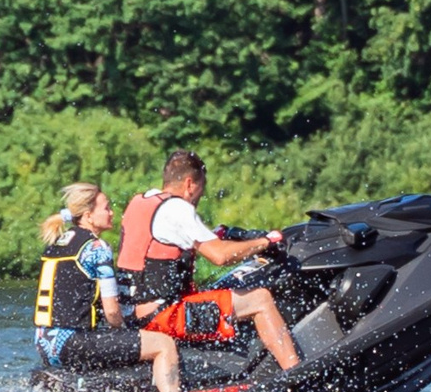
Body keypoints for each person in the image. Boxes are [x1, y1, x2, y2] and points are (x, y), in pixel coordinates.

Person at [116, 150, 302, 371]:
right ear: (190, 184)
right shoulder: (178, 208)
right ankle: (295, 373)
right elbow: (220, 256)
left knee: (216, 291)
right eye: (200, 193)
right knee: (260, 300)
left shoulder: (140, 201)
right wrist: (265, 241)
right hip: (162, 316)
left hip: (133, 313)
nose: (197, 200)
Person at [35, 183, 185, 392]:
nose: (112, 212)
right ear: (88, 216)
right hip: (73, 342)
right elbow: (112, 311)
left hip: (45, 343)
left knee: (119, 344)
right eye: (106, 208)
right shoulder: (96, 247)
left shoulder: (57, 243)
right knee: (163, 344)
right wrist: (128, 332)